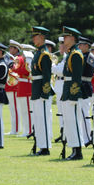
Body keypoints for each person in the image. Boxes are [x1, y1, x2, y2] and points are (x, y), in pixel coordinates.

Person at [59, 27, 85, 160]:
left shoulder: (75, 54)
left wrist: (74, 94)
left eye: (66, 36)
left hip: (72, 91)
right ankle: (74, 148)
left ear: (73, 38)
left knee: (74, 121)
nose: (64, 39)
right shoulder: (70, 53)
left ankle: (78, 150)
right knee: (69, 121)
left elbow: (76, 76)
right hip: (67, 88)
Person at [30, 27, 54, 155]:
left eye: (36, 36)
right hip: (36, 88)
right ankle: (41, 144)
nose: (33, 38)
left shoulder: (44, 54)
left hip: (41, 90)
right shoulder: (38, 53)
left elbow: (46, 75)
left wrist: (45, 92)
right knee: (38, 119)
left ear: (42, 37)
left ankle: (45, 147)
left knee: (43, 119)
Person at [4, 40, 22, 135]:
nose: (10, 49)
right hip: (9, 85)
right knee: (12, 108)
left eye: (11, 48)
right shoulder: (9, 58)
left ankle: (16, 129)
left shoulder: (18, 59)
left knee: (15, 108)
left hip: (14, 86)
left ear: (16, 49)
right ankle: (14, 128)